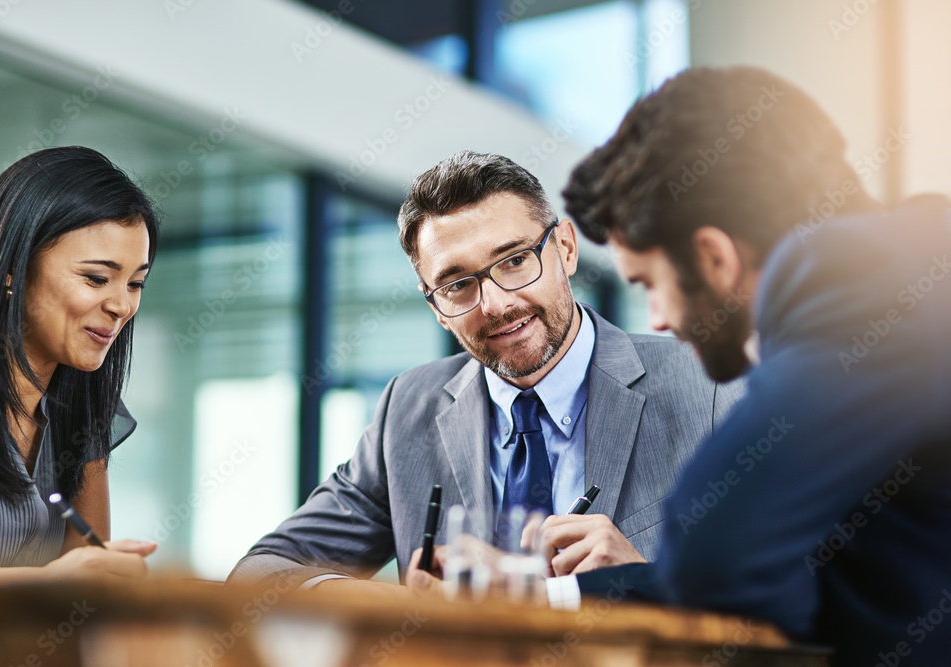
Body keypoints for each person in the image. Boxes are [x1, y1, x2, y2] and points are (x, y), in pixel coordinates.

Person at [559, 66, 951, 666]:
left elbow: (715, 561)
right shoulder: (909, 269)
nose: (657, 319)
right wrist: (561, 593)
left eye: (650, 285)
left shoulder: (857, 279)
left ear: (714, 257)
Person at [231, 151, 742, 591]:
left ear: (565, 248)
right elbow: (261, 573)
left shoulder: (711, 387)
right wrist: (418, 609)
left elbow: (800, 591)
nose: (495, 305)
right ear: (434, 304)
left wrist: (641, 581)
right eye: (457, 285)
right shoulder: (407, 410)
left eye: (515, 260)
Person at [0, 146, 160, 582]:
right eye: (96, 279)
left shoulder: (83, 406)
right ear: (12, 268)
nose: (122, 305)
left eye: (136, 283)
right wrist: (44, 585)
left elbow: (83, 591)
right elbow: (62, 584)